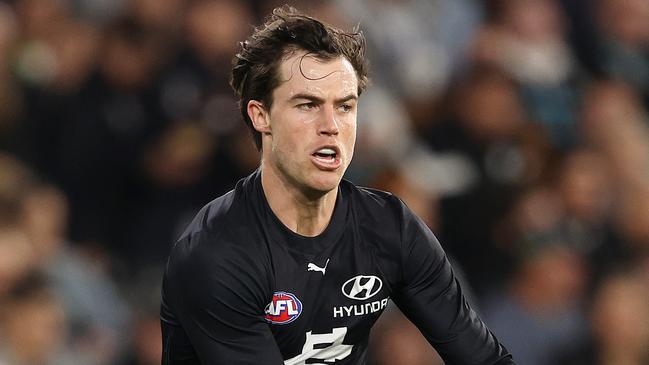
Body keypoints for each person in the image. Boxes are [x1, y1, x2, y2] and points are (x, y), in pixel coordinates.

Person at [160, 6, 515, 365]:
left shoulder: (390, 227)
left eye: (345, 106)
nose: (331, 125)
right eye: (308, 105)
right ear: (260, 115)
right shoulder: (216, 254)